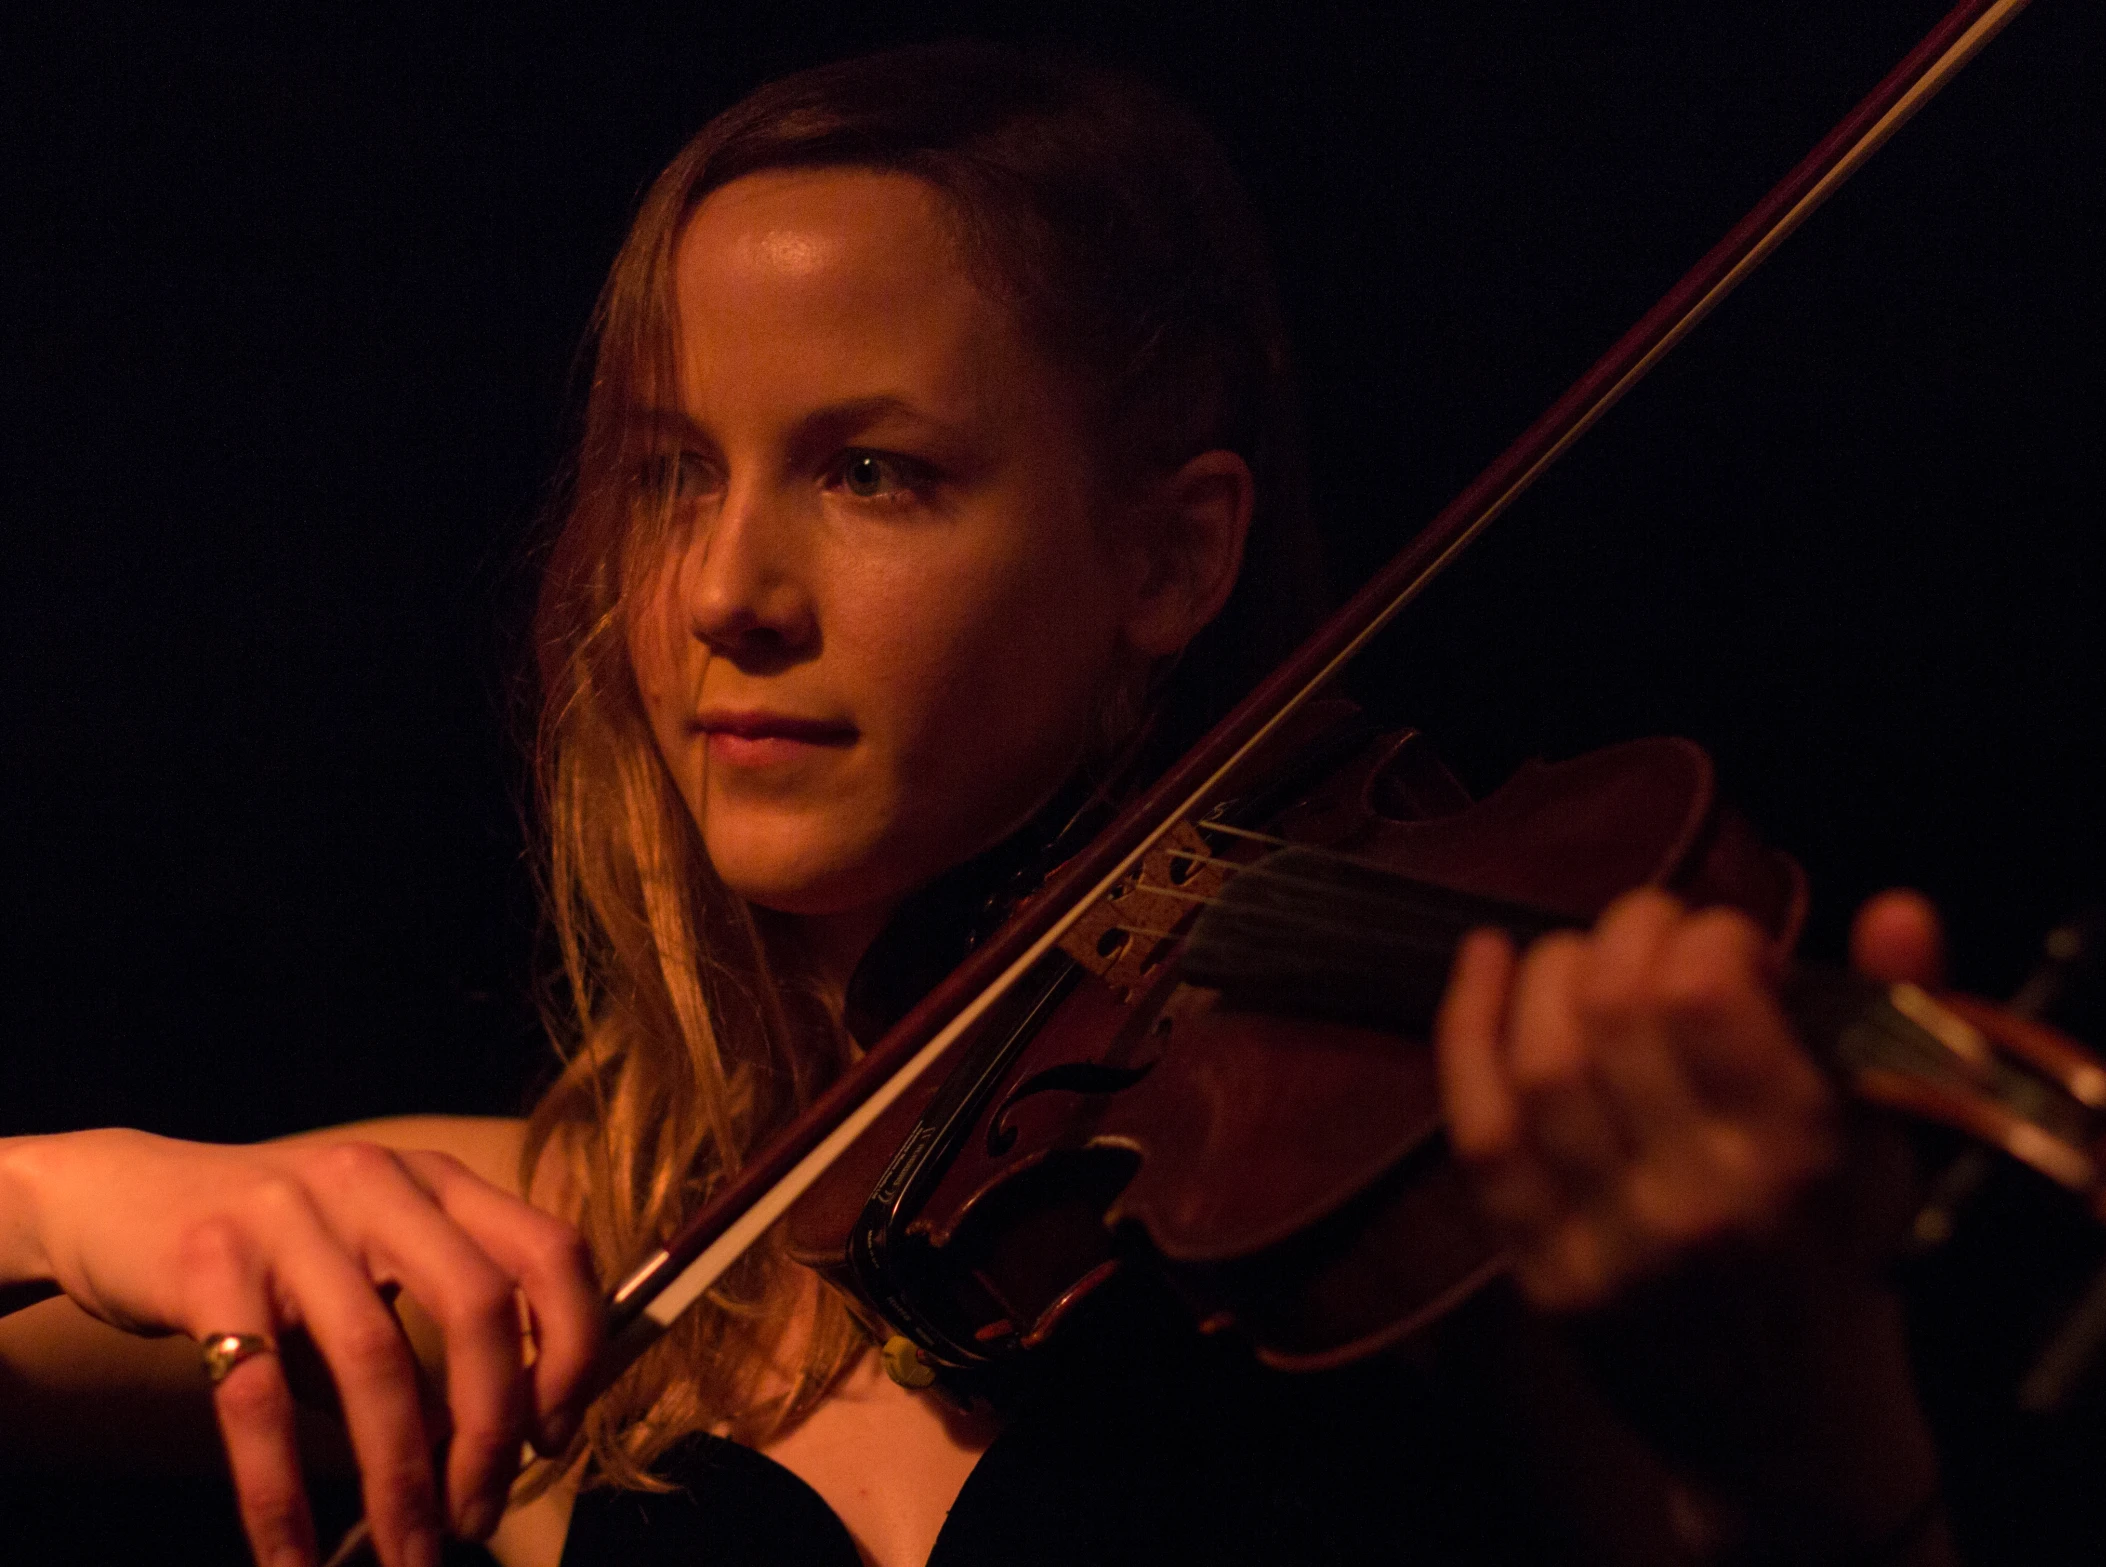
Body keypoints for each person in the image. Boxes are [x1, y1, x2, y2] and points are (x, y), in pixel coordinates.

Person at [0, 41, 1955, 1567]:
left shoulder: (1431, 1256)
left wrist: (1815, 1455)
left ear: (1170, 561)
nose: (719, 594)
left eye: (872, 474)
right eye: (675, 469)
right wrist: (78, 1187)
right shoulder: (557, 1245)